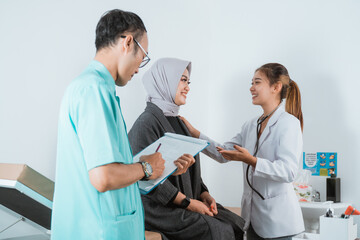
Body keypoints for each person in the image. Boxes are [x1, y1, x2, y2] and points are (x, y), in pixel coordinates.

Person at [51, 9, 167, 240]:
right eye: (143, 57)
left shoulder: (93, 88)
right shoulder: (94, 90)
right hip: (98, 232)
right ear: (127, 42)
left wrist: (143, 168)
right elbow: (103, 177)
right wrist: (146, 168)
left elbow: (102, 168)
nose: (139, 66)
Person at [181, 63, 305, 239]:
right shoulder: (251, 125)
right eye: (252, 82)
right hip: (252, 222)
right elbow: (222, 153)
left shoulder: (288, 123)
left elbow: (288, 171)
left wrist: (252, 161)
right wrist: (195, 134)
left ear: (275, 87)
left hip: (282, 226)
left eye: (257, 82)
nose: (251, 88)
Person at [128, 58, 245, 240]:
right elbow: (146, 181)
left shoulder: (179, 122)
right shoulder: (146, 123)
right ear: (165, 80)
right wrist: (188, 203)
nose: (187, 87)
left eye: (187, 81)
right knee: (216, 230)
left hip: (184, 201)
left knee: (237, 225)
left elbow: (191, 170)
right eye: (182, 80)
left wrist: (204, 194)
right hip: (157, 208)